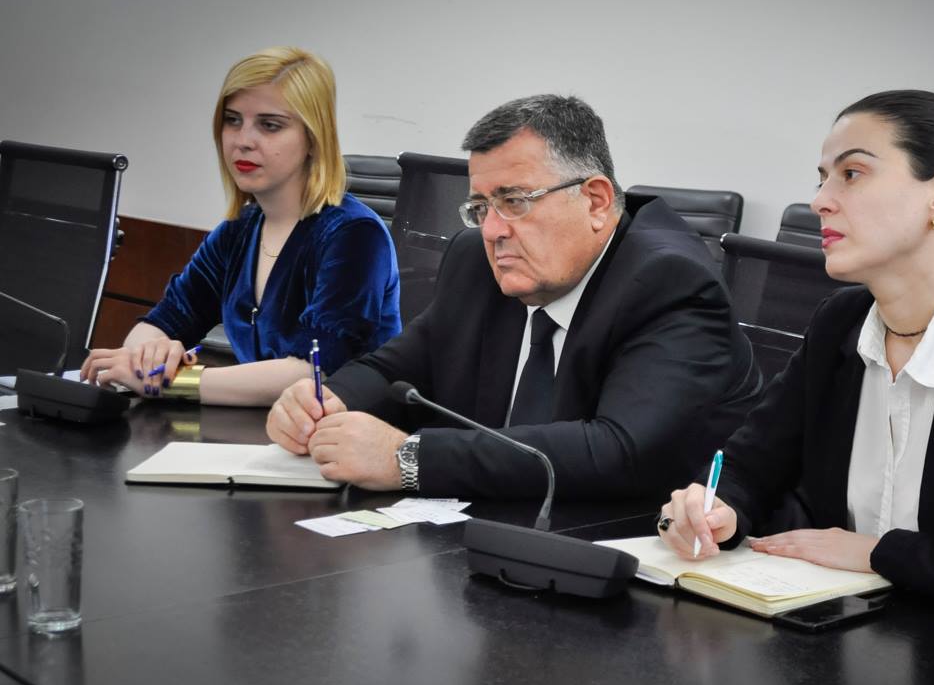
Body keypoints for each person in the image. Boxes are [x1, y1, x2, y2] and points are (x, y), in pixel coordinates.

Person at [658, 90, 934, 627]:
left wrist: (880, 552)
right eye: (822, 178)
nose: (820, 201)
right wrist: (718, 509)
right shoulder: (840, 324)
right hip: (844, 632)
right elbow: (749, 464)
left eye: (852, 174)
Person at [266, 94, 762, 498]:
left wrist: (409, 459)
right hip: (492, 530)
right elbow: (396, 369)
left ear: (595, 201)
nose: (492, 230)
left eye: (515, 201)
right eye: (481, 206)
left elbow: (618, 450)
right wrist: (327, 402)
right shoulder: (478, 262)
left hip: (630, 547)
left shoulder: (669, 281)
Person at [81, 46, 401, 406]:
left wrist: (170, 383)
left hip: (346, 430)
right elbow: (166, 319)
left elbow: (313, 372)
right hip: (262, 427)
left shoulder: (355, 235)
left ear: (314, 138)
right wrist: (148, 354)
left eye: (270, 125)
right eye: (233, 120)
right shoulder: (239, 230)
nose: (243, 140)